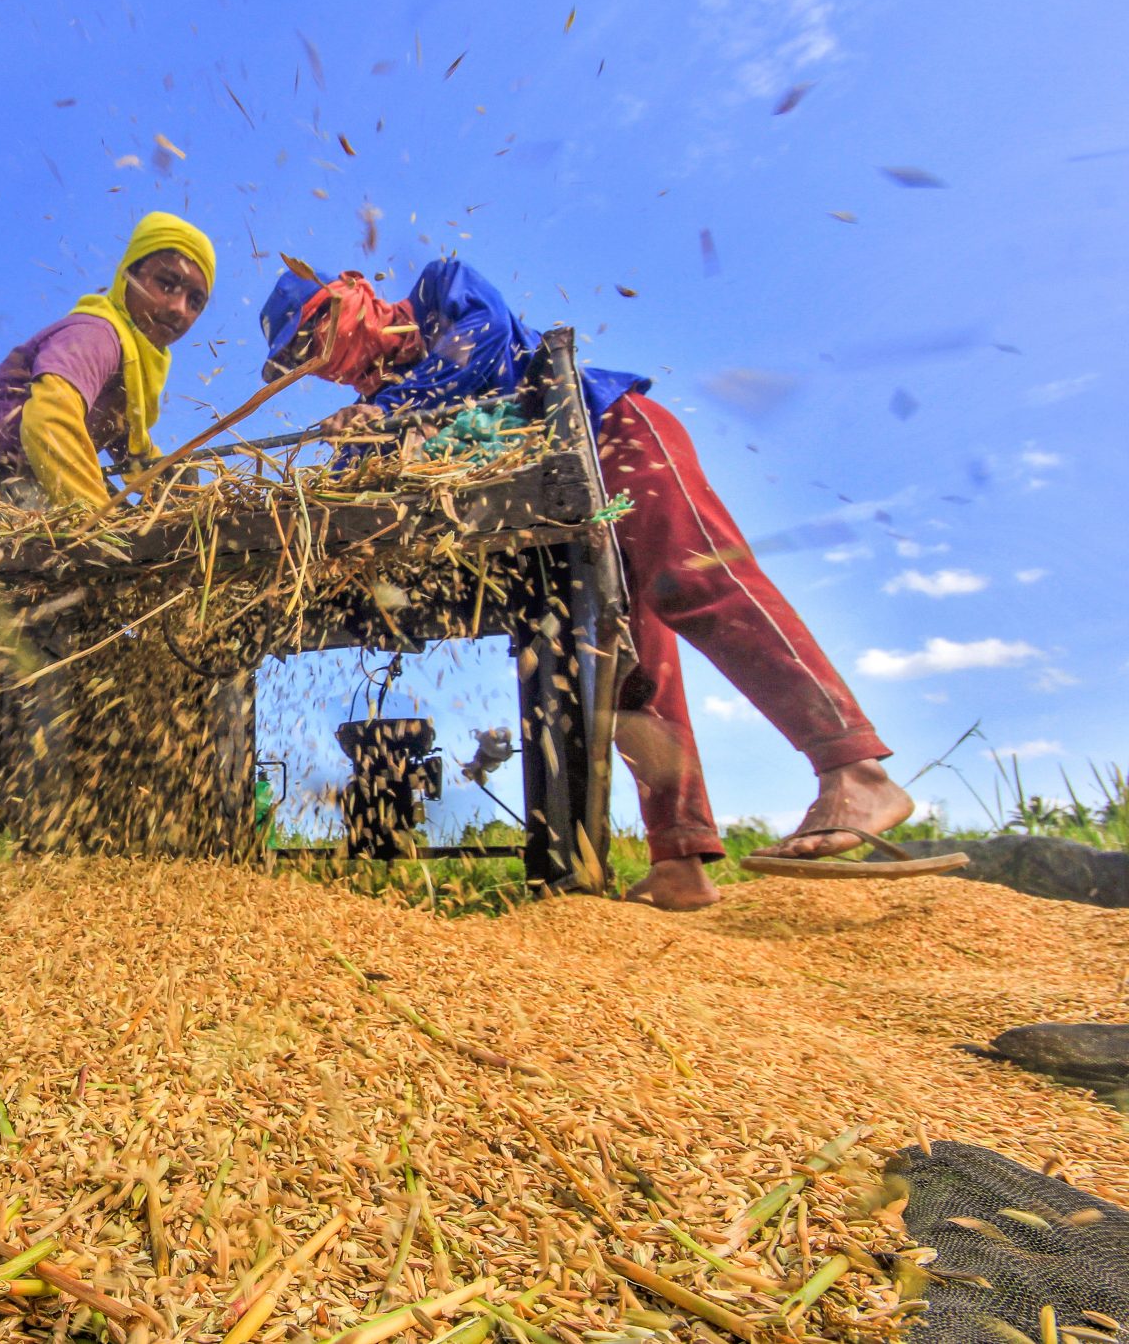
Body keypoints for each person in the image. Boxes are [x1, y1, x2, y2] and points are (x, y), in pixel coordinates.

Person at [258, 259, 913, 910]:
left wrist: (391, 413)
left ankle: (854, 767)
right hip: (557, 515)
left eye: (317, 326)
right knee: (624, 667)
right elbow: (364, 483)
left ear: (351, 286)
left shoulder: (436, 293)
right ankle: (679, 861)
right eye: (300, 354)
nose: (319, 353)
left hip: (613, 438)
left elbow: (483, 342)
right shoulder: (371, 408)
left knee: (693, 581)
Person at [0, 211, 217, 864]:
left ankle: (14, 840)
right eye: (165, 282)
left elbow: (136, 454)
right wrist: (99, 528)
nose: (177, 307)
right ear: (127, 275)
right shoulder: (95, 333)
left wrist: (176, 491)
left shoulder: (135, 364)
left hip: (10, 508)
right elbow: (53, 417)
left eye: (194, 298)